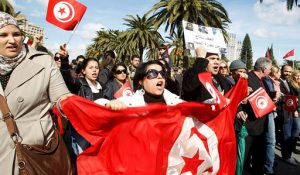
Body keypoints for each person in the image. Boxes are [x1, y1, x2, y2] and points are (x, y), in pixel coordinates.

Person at [0, 12, 70, 174]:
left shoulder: (43, 62)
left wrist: (101, 109)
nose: (12, 40)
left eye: (16, 34)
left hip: (36, 155)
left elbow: (63, 99)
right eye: (3, 35)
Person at [97, 59, 183, 109]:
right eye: (152, 73)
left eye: (163, 73)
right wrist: (108, 104)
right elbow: (96, 107)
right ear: (141, 81)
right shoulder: (129, 103)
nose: (160, 76)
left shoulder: (178, 104)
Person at [242, 57, 273, 174]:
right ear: (264, 69)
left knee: (258, 154)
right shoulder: (247, 78)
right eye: (269, 69)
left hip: (261, 124)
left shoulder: (263, 80)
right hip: (250, 124)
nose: (270, 71)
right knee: (245, 155)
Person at [278, 65, 300, 165]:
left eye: (290, 72)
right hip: (283, 112)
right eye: (286, 71)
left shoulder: (288, 82)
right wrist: (289, 99)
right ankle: (286, 156)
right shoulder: (278, 82)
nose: (288, 74)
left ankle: (288, 154)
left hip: (290, 111)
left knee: (293, 132)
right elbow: (280, 97)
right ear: (281, 71)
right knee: (286, 135)